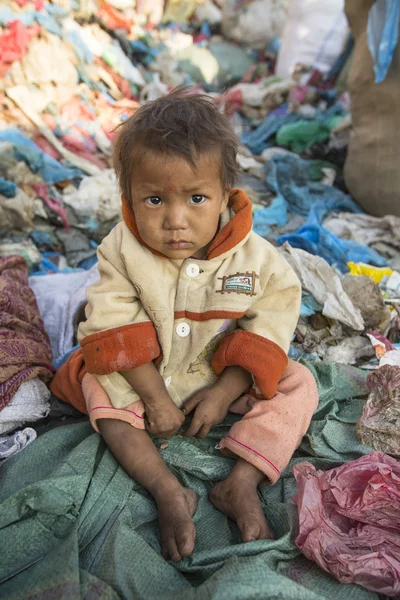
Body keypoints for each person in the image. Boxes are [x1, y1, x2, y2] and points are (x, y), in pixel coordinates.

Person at [51, 89, 319, 562]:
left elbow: (269, 326)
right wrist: (154, 400)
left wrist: (223, 392)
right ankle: (166, 489)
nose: (175, 221)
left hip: (214, 379)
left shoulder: (258, 259)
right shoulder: (121, 249)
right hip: (143, 378)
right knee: (97, 384)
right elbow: (112, 325)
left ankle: (241, 482)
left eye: (197, 198)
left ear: (225, 193)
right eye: (153, 199)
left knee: (299, 384)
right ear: (128, 197)